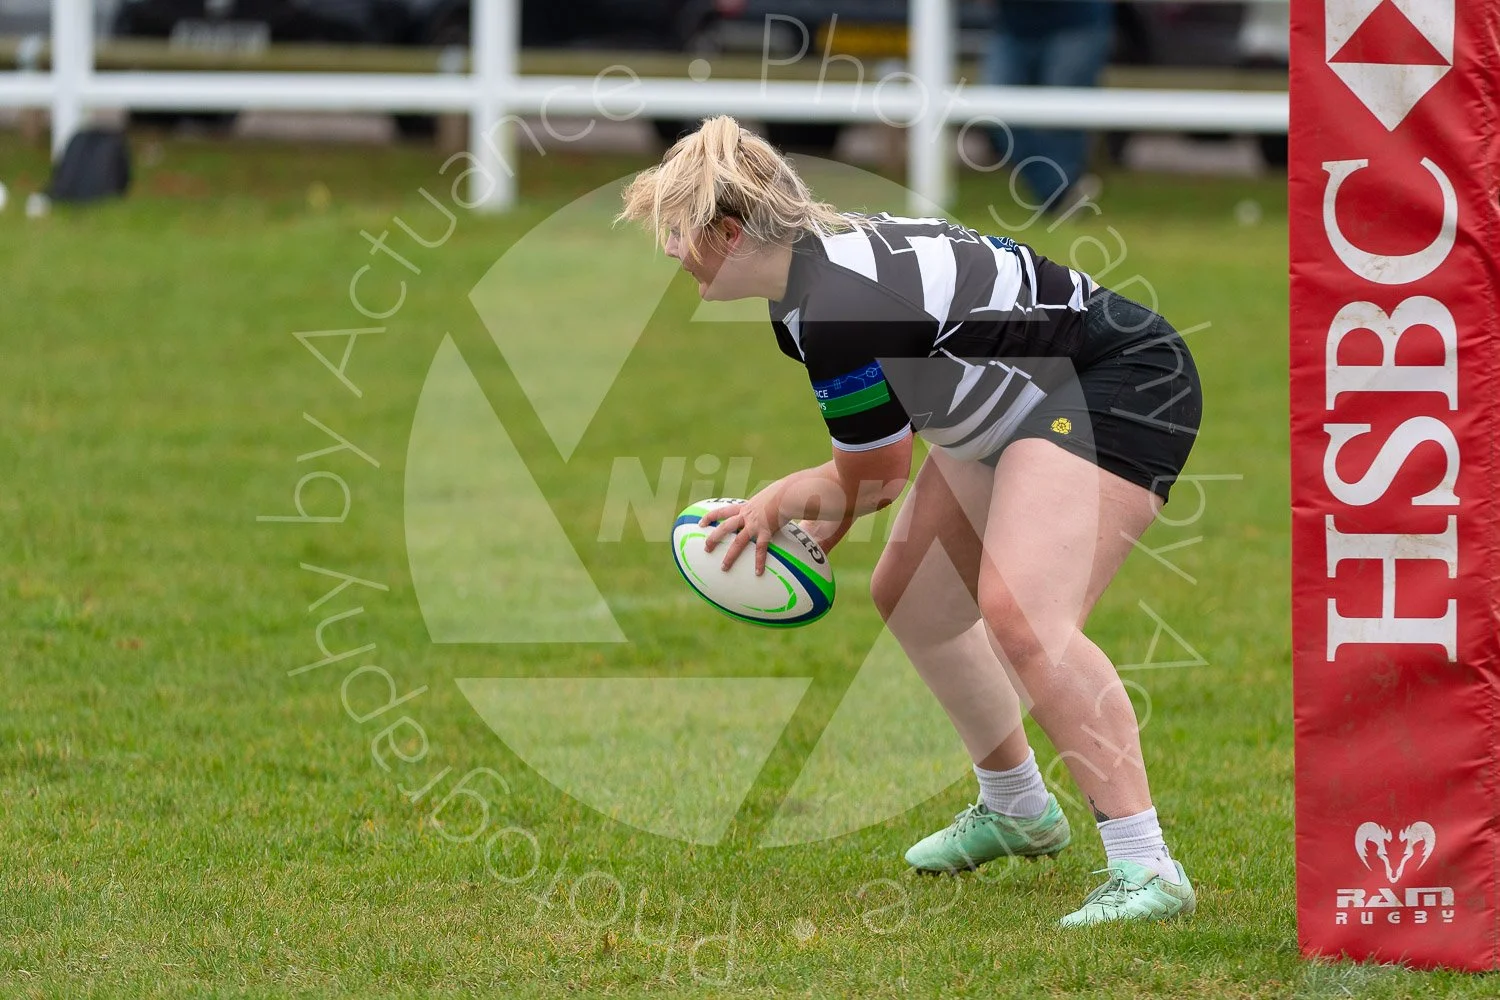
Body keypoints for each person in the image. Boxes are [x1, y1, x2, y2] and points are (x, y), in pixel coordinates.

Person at [617, 116, 1202, 926]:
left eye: (678, 230)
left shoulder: (835, 305)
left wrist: (780, 500)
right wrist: (829, 514)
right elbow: (882, 448)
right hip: (1010, 399)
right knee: (914, 596)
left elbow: (879, 475)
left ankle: (1148, 865)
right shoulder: (808, 285)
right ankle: (1018, 807)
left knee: (1025, 615)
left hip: (1116, 380)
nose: (669, 249)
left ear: (730, 231)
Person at [986, 0, 1114, 211]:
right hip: (1013, 25)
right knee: (993, 113)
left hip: (1075, 22)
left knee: (1060, 121)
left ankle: (1061, 195)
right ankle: (1060, 193)